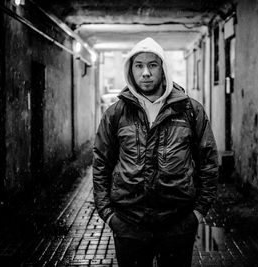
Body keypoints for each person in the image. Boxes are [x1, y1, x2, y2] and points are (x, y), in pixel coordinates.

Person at [93, 37, 219, 267]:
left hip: (178, 223)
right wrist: (109, 215)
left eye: (152, 65)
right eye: (138, 65)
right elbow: (101, 162)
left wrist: (198, 213)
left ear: (164, 69)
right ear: (130, 70)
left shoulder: (190, 110)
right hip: (128, 223)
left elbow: (208, 162)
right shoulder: (116, 114)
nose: (146, 73)